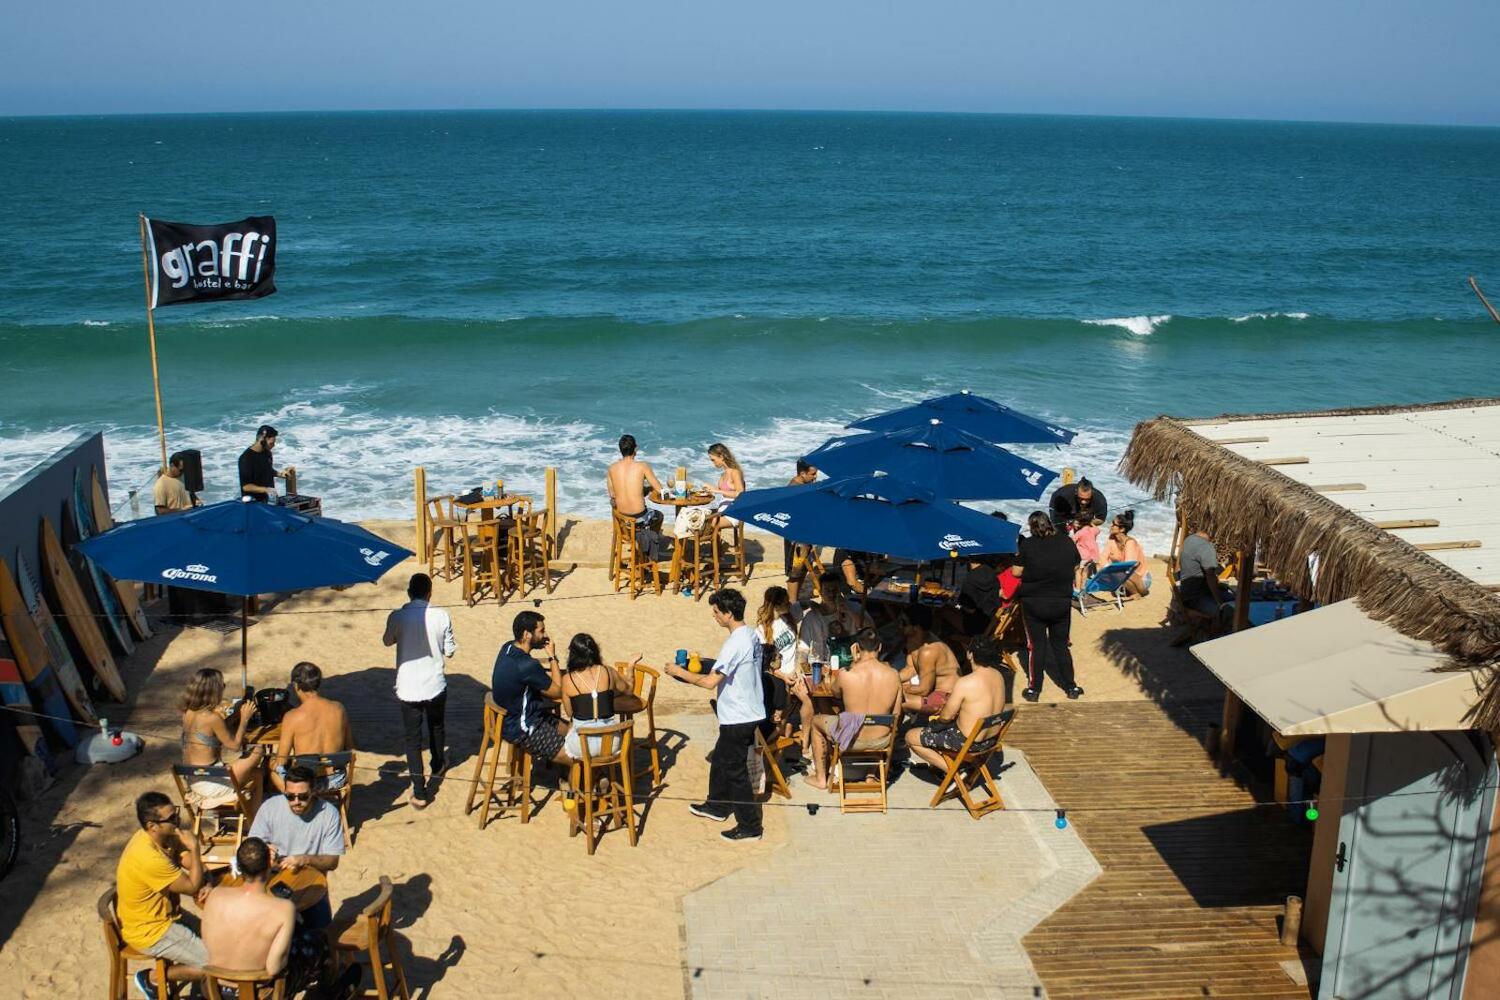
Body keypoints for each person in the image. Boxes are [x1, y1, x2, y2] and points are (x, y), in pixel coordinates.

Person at [664, 588, 764, 842]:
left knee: (735, 770)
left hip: (738, 715)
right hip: (745, 709)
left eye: (717, 611)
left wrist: (680, 672)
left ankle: (750, 825)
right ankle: (717, 805)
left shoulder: (735, 642)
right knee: (721, 758)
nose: (714, 615)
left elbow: (710, 683)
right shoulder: (750, 635)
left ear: (729, 614)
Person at [117, 791, 208, 996]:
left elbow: (187, 863)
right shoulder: (148, 857)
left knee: (217, 938)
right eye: (171, 818)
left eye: (176, 813)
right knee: (213, 965)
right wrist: (195, 848)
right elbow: (192, 886)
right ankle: (151, 979)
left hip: (168, 916)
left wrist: (204, 879)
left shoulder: (164, 836)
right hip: (151, 930)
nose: (177, 821)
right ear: (152, 826)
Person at [382, 573, 454, 809]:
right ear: (429, 592)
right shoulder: (441, 616)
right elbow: (450, 650)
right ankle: (438, 763)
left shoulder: (398, 616)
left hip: (408, 686)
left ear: (409, 593)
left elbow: (387, 640)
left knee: (412, 738)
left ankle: (420, 791)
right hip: (434, 683)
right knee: (436, 726)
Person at [803, 627, 902, 791]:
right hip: (882, 741)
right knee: (879, 718)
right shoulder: (893, 675)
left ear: (856, 647)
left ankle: (821, 778)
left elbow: (835, 693)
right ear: (880, 647)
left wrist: (854, 662)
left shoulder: (847, 674)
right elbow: (896, 714)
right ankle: (871, 775)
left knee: (816, 721)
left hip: (852, 740)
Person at [248, 764, 344, 929]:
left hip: (311, 884)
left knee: (321, 937)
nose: (296, 802)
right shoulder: (270, 807)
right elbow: (251, 847)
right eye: (290, 796)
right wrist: (263, 850)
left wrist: (304, 859)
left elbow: (332, 861)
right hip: (274, 878)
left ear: (314, 791)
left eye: (303, 796)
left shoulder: (329, 814)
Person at [906, 635, 1009, 772]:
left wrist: (934, 724)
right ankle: (957, 768)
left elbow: (946, 716)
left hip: (968, 743)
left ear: (970, 655)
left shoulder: (966, 682)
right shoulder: (998, 676)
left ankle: (954, 770)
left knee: (911, 736)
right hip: (990, 741)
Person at [201, 837, 295, 982]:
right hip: (256, 990)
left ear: (238, 866)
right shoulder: (284, 909)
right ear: (269, 865)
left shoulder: (214, 895)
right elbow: (274, 967)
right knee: (309, 944)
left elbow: (206, 946)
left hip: (216, 987)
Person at [1013, 510, 1083, 702]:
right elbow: (1076, 565)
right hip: (1061, 602)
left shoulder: (1028, 544)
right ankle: (1071, 686)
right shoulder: (1067, 542)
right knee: (1061, 646)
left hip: (1034, 603)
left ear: (1033, 527)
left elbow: (1016, 572)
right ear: (1049, 524)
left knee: (1037, 646)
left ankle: (1035, 689)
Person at [491, 610, 569, 765]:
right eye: (541, 631)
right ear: (527, 634)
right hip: (523, 728)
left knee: (572, 732)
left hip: (510, 719)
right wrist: (552, 657)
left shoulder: (507, 648)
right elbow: (557, 691)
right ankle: (575, 783)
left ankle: (565, 779)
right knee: (576, 756)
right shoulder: (527, 666)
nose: (545, 635)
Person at [179, 667, 264, 796]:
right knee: (258, 751)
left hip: (193, 778)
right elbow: (235, 746)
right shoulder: (212, 718)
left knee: (257, 774)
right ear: (213, 691)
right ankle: (253, 813)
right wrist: (244, 719)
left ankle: (250, 813)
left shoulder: (188, 712)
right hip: (211, 783)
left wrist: (236, 714)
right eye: (222, 686)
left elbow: (212, 732)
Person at [271, 662, 353, 793]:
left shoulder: (292, 717)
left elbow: (281, 760)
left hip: (305, 783)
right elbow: (349, 747)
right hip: (335, 780)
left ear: (296, 685)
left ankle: (295, 801)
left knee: (273, 770)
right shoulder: (339, 709)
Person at [560, 633, 641, 760]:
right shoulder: (608, 672)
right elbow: (629, 690)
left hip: (582, 744)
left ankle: (586, 775)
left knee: (568, 734)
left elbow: (570, 712)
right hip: (610, 743)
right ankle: (601, 773)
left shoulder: (567, 679)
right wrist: (631, 666)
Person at [756, 586, 813, 752]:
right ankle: (770, 747)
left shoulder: (790, 615)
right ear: (773, 606)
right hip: (778, 676)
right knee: (780, 719)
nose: (789, 604)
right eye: (784, 603)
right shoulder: (762, 631)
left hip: (795, 671)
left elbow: (805, 603)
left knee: (807, 701)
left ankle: (804, 743)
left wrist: (813, 605)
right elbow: (765, 664)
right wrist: (784, 676)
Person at [606, 434, 672, 560]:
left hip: (622, 522)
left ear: (620, 450)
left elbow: (613, 495)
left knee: (647, 514)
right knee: (658, 515)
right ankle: (648, 549)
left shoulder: (612, 469)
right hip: (638, 521)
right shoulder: (642, 466)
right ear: (635, 449)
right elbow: (660, 489)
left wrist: (640, 491)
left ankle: (643, 544)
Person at [895, 618, 963, 715]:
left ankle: (891, 730)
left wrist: (897, 688)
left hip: (946, 697)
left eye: (904, 623)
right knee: (892, 691)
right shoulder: (913, 640)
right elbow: (911, 669)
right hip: (931, 690)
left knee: (896, 699)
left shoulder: (929, 651)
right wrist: (892, 678)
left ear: (916, 627)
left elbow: (923, 690)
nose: (900, 626)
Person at [784, 460, 818, 602]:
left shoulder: (806, 484)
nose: (815, 477)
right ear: (802, 473)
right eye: (813, 474)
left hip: (804, 533)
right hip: (796, 537)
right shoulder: (793, 489)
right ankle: (792, 603)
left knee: (803, 568)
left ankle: (795, 600)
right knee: (795, 572)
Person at [1177, 527, 1228, 618]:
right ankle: (1217, 630)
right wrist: (1220, 603)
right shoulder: (1206, 547)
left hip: (1185, 593)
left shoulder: (1188, 539)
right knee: (1227, 611)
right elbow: (1211, 576)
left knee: (1230, 596)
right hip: (1197, 597)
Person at [1101, 511, 1152, 600]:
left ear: (1122, 529)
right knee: (1112, 572)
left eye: (1114, 524)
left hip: (1141, 578)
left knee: (1121, 573)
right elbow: (1103, 557)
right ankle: (1129, 590)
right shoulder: (1111, 539)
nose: (1111, 526)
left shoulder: (1130, 543)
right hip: (1126, 576)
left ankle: (1137, 593)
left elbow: (1129, 566)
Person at [239, 424, 291, 502]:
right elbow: (246, 486)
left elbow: (267, 470)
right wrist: (266, 490)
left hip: (269, 499)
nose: (273, 445)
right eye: (271, 443)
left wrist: (280, 474)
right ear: (262, 439)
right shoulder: (246, 458)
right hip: (254, 503)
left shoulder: (267, 453)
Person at [1069, 516, 1101, 591]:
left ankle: (1077, 588)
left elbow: (1071, 542)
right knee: (1085, 571)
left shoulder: (1080, 532)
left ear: (1080, 524)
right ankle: (1083, 587)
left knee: (1078, 571)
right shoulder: (1093, 530)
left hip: (1083, 556)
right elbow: (1098, 530)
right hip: (1091, 557)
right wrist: (1092, 523)